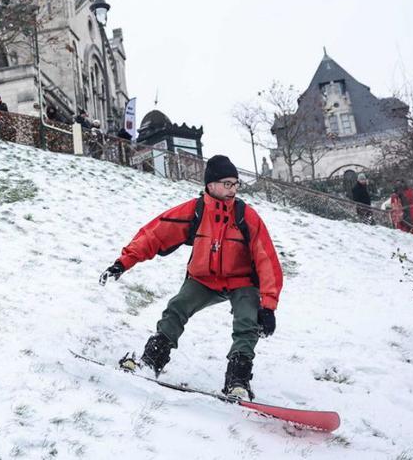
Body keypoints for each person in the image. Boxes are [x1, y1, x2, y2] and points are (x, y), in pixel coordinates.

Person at [100, 155, 284, 400]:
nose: (233, 189)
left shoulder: (246, 216)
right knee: (176, 308)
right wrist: (122, 263)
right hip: (203, 280)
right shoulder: (195, 211)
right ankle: (151, 360)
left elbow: (267, 260)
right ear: (211, 185)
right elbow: (155, 234)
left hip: (241, 281)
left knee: (247, 321)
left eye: (235, 184)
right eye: (227, 183)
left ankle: (238, 381)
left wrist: (268, 307)